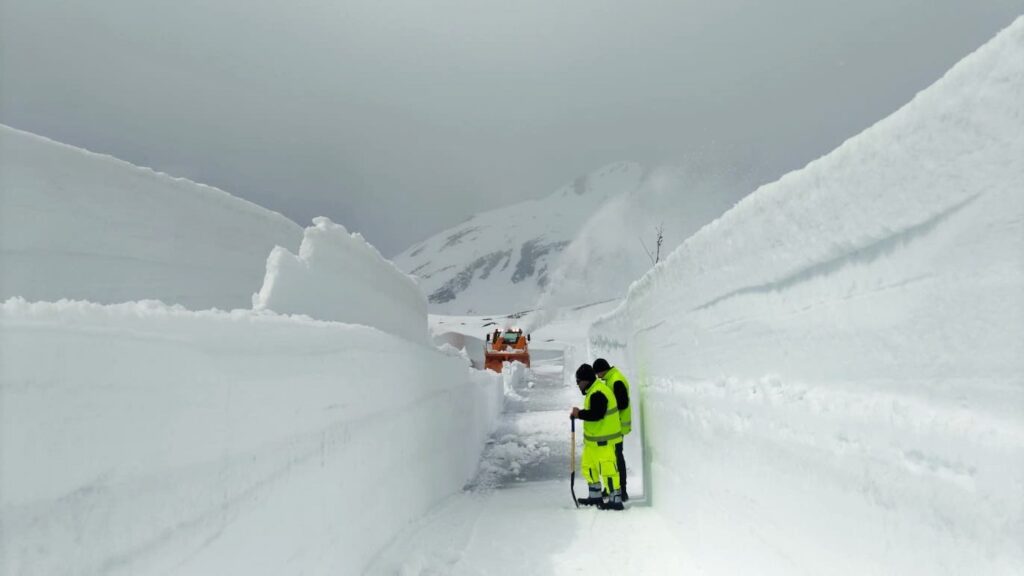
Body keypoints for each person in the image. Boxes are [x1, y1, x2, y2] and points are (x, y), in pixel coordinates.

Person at [570, 363, 624, 511]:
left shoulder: (598, 393)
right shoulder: (593, 390)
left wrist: (578, 414)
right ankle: (595, 497)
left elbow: (596, 415)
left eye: (578, 382)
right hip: (593, 443)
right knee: (589, 468)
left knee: (608, 471)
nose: (578, 385)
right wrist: (578, 414)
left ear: (585, 380)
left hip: (604, 443)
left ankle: (615, 500)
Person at [593, 358, 631, 501]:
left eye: (598, 373)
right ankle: (612, 489)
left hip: (617, 427)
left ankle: (621, 490)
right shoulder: (612, 379)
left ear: (602, 370)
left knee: (617, 458)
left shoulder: (616, 381)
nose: (598, 376)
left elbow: (622, 404)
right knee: (612, 458)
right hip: (614, 427)